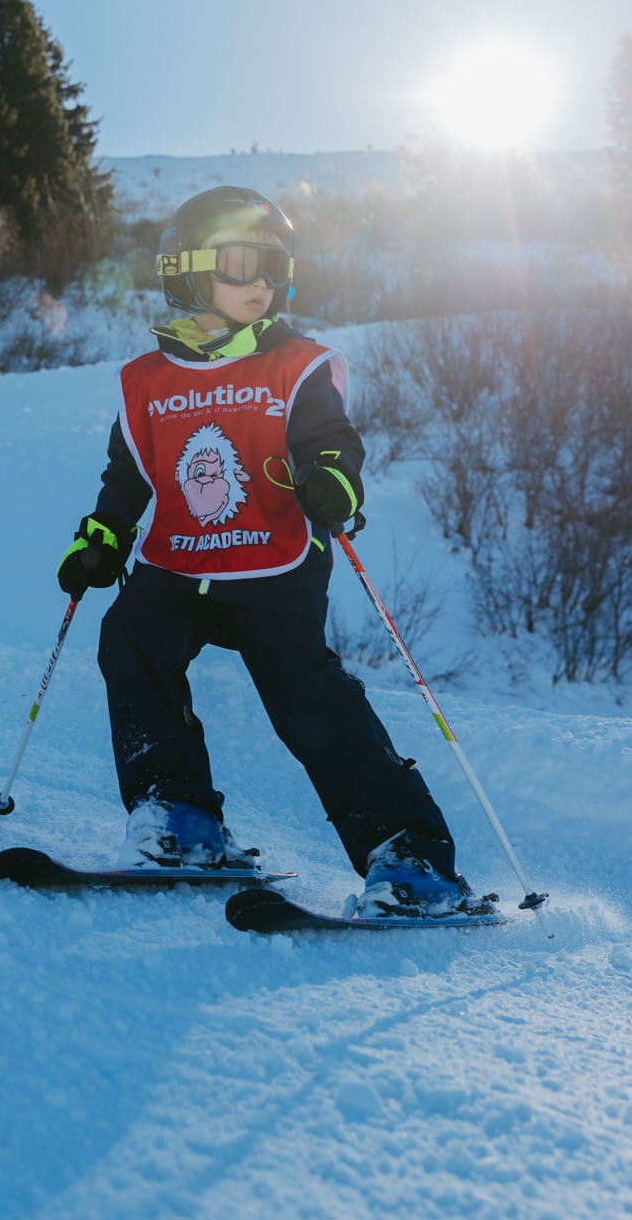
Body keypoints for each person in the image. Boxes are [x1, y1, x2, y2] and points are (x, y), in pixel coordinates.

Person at [56, 184, 482, 918]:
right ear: (185, 269)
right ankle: (179, 820)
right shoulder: (144, 382)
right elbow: (127, 476)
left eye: (275, 267)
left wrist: (333, 485)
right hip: (175, 565)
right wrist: (102, 537)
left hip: (270, 567)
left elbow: (332, 447)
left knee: (308, 703)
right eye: (242, 262)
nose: (263, 282)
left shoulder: (299, 366)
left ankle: (409, 857)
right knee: (129, 640)